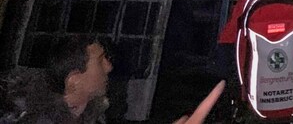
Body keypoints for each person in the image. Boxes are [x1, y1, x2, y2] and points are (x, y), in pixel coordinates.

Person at [0, 36, 225, 124]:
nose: (109, 66)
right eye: (100, 61)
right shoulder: (38, 121)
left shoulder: (87, 115)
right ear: (74, 81)